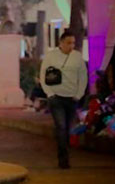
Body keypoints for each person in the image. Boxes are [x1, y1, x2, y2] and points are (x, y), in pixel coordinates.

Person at [40, 30, 88, 169]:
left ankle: (65, 151)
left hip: (72, 98)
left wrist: (78, 94)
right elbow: (43, 75)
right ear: (61, 43)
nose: (71, 45)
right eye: (68, 42)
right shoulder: (51, 56)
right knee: (61, 127)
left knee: (68, 128)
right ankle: (63, 158)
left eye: (73, 43)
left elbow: (83, 77)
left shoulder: (77, 57)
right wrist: (49, 93)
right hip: (56, 98)